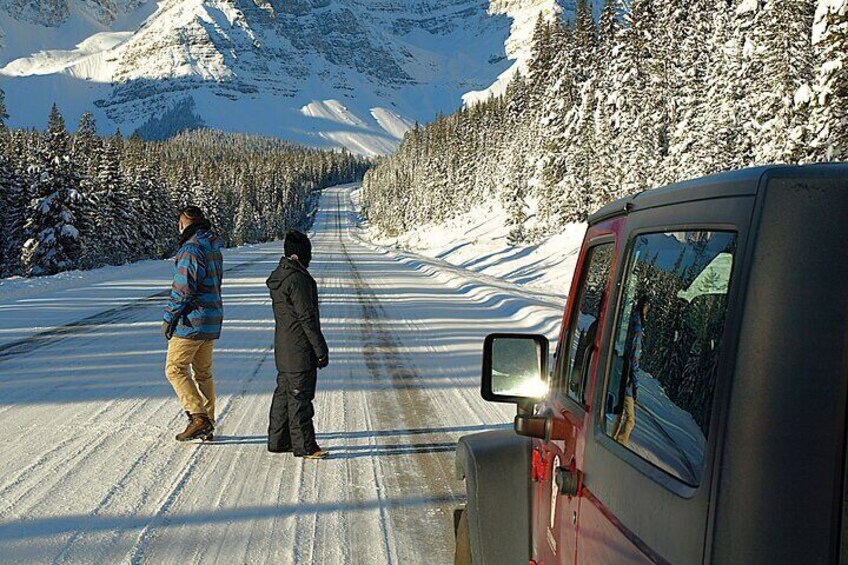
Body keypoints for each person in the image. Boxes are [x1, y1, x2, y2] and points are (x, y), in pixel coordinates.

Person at [162, 205, 224, 442]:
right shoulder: (212, 246)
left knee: (174, 369)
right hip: (211, 319)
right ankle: (207, 422)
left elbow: (182, 290)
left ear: (185, 223)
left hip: (192, 321)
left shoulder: (191, 249)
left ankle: (198, 418)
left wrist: (169, 318)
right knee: (203, 373)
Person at [266, 229, 329, 459]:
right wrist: (320, 350)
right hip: (299, 349)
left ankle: (278, 440)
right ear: (301, 255)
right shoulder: (298, 280)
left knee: (284, 395)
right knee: (300, 397)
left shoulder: (280, 276)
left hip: (284, 348)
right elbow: (307, 319)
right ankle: (305, 446)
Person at [613, 294, 649, 447]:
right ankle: (619, 445)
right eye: (647, 308)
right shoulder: (637, 328)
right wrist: (634, 384)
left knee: (619, 414)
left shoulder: (629, 321)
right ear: (644, 307)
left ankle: (612, 441)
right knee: (630, 419)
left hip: (620, 371)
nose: (648, 312)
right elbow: (634, 356)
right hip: (627, 377)